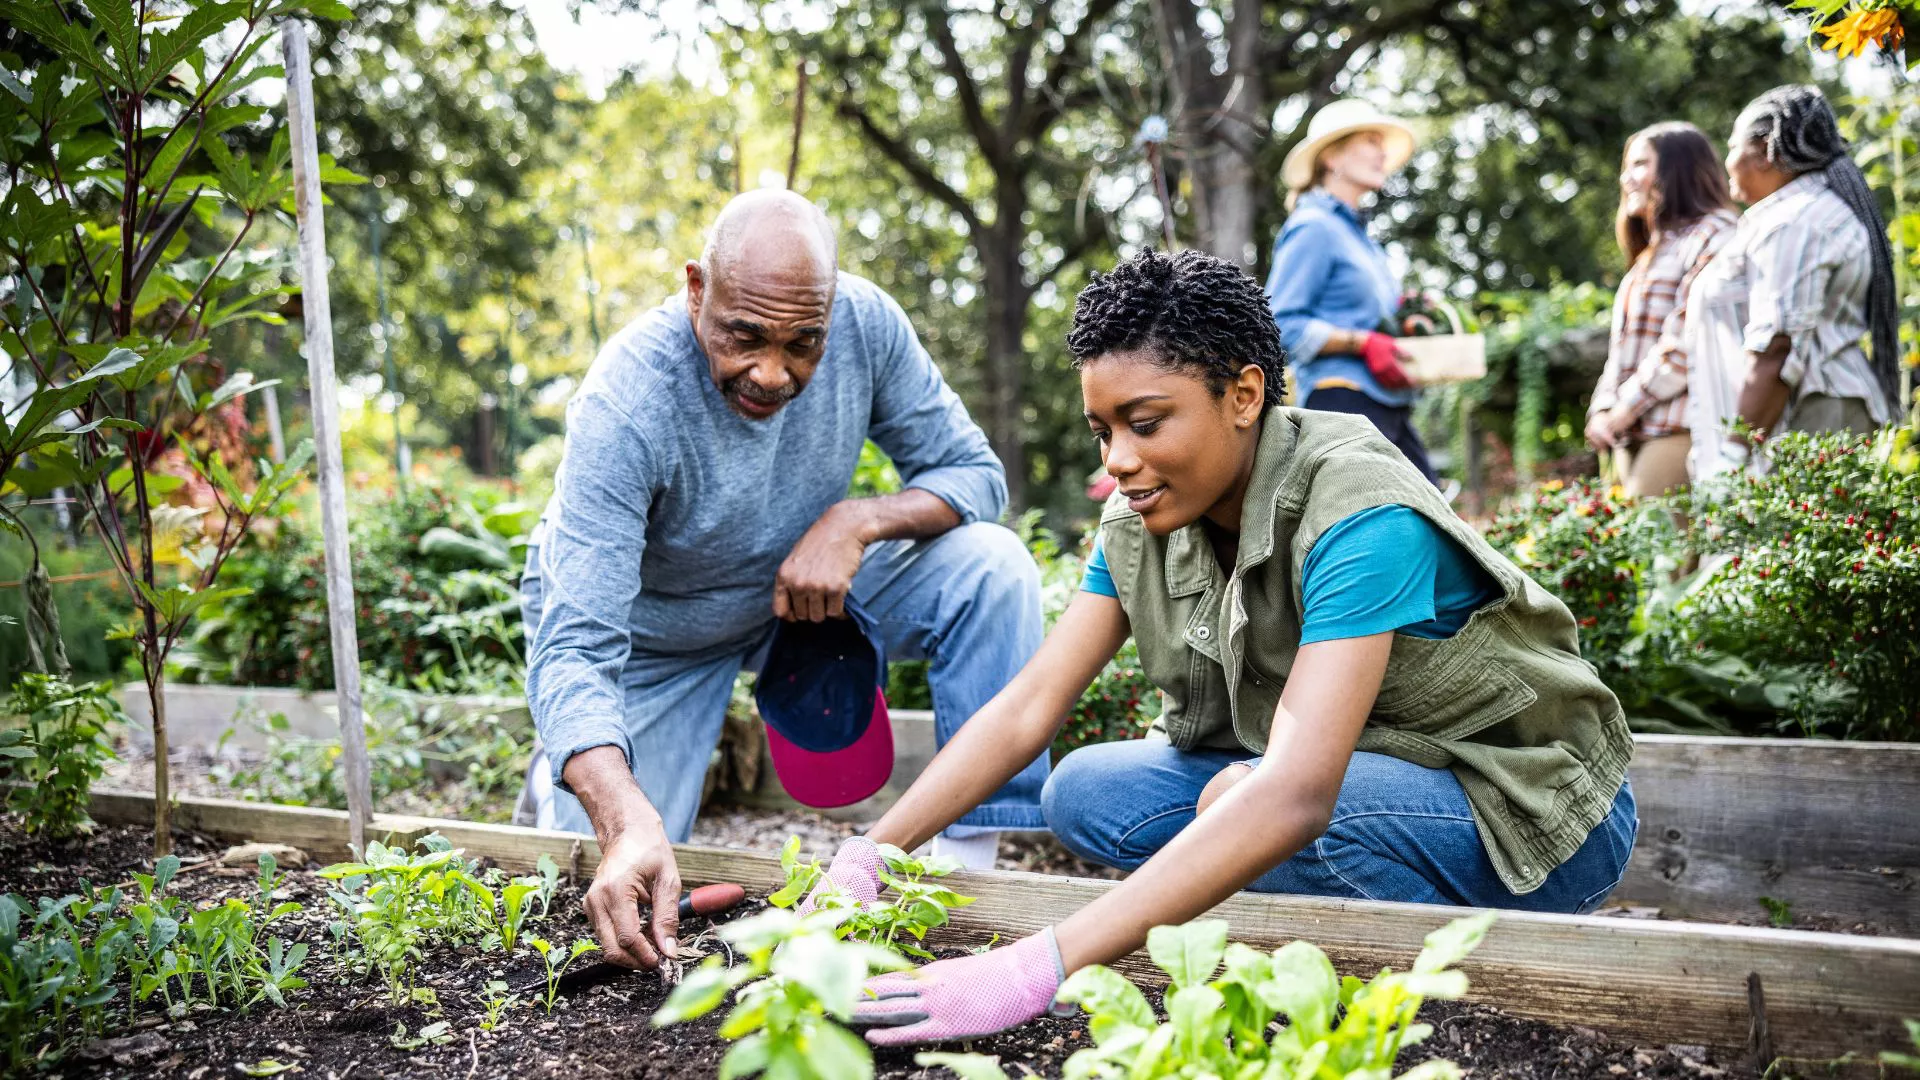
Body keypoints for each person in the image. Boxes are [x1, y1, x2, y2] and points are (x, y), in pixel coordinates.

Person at [817, 249, 1636, 1047]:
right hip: (1363, 774)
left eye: (1145, 424)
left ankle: (1453, 983)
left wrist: (1041, 964)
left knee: (1262, 810)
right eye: (1102, 430)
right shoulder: (1141, 519)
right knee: (1085, 791)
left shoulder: (1359, 507)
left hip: (1527, 811)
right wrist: (872, 851)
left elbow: (1295, 796)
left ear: (1244, 394)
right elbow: (1032, 705)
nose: (1118, 462)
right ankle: (1289, 908)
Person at [518, 189, 1049, 972]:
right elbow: (572, 649)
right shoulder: (627, 400)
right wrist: (623, 816)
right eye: (746, 337)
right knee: (608, 891)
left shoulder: (866, 323)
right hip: (655, 637)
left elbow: (973, 474)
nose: (773, 372)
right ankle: (560, 781)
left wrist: (855, 521)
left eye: (805, 343)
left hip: (802, 600)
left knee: (993, 566)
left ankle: (967, 871)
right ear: (697, 290)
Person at [1684, 85, 1900, 481]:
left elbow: (1777, 347)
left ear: (1766, 150)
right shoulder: (1804, 213)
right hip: (1810, 415)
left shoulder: (1794, 224)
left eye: (1733, 147)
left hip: (1810, 418)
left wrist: (1733, 454)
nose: (1727, 162)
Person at [1265, 99, 1436, 484]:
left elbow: (1373, 320)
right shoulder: (1313, 227)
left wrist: (1407, 321)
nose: (1382, 153)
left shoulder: (1360, 238)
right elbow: (1278, 326)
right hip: (1341, 405)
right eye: (1371, 141)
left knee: (1434, 519)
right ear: (1332, 157)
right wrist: (1361, 343)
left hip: (1387, 406)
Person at [1584, 123, 1738, 498]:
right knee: (1637, 551)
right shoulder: (1651, 253)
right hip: (1632, 429)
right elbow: (1623, 352)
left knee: (1660, 554)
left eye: (1640, 165)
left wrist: (1623, 410)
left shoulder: (1714, 235)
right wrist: (1602, 409)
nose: (1627, 179)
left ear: (1678, 169)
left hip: (1680, 426)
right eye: (1627, 167)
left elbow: (1685, 342)